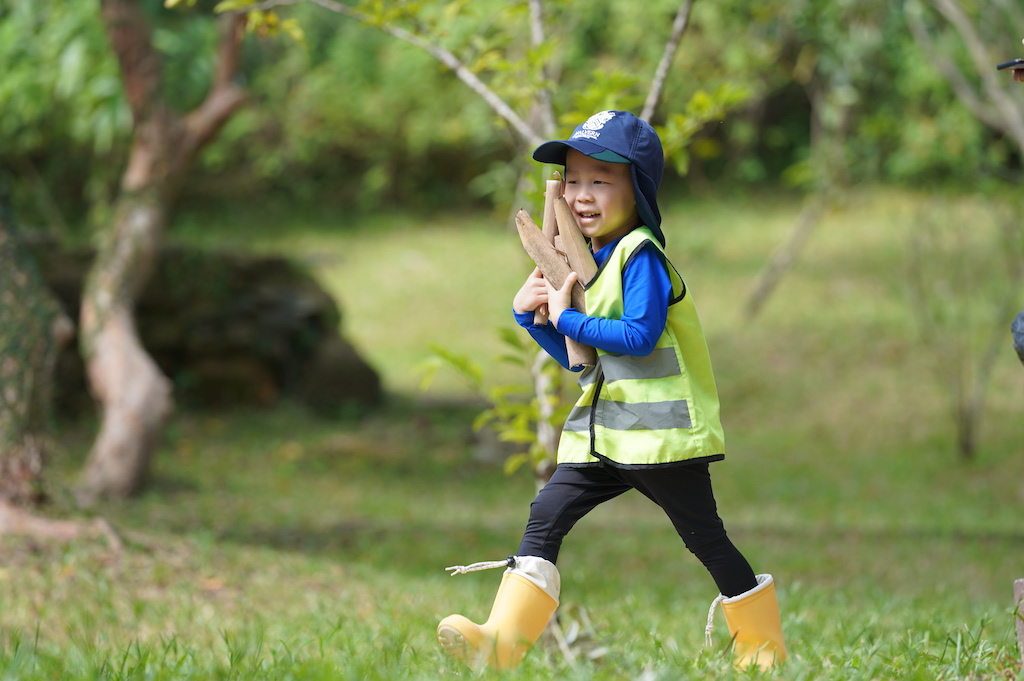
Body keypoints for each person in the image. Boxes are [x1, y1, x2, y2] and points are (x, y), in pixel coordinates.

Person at [436, 111, 788, 671]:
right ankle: (498, 642)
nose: (581, 195)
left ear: (637, 190)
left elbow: (639, 338)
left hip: (661, 443)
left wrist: (568, 319)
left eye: (601, 180)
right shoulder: (592, 262)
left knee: (706, 541)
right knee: (543, 519)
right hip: (605, 438)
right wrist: (534, 321)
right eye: (572, 180)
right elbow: (591, 365)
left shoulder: (639, 255)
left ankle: (763, 650)